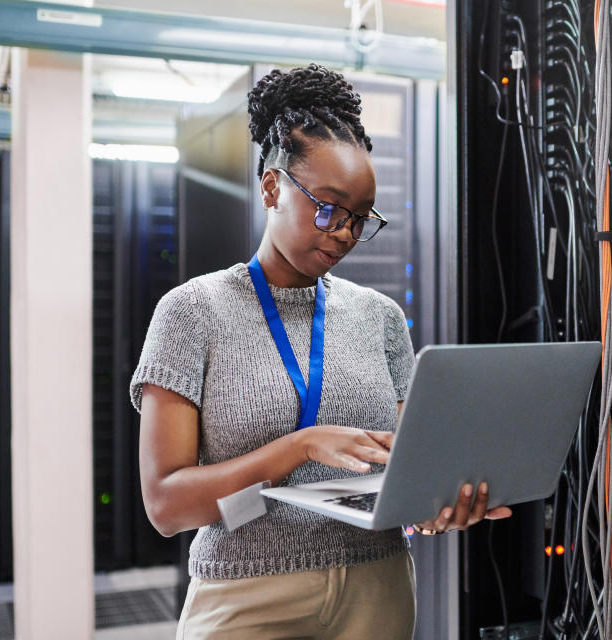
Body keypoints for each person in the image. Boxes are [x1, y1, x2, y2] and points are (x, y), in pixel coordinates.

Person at [130, 63, 512, 639]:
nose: (343, 234)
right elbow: (166, 505)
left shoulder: (379, 318)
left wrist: (439, 503)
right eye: (328, 207)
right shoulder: (192, 312)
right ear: (272, 186)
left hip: (375, 588)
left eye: (360, 220)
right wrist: (302, 445)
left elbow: (408, 470)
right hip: (245, 597)